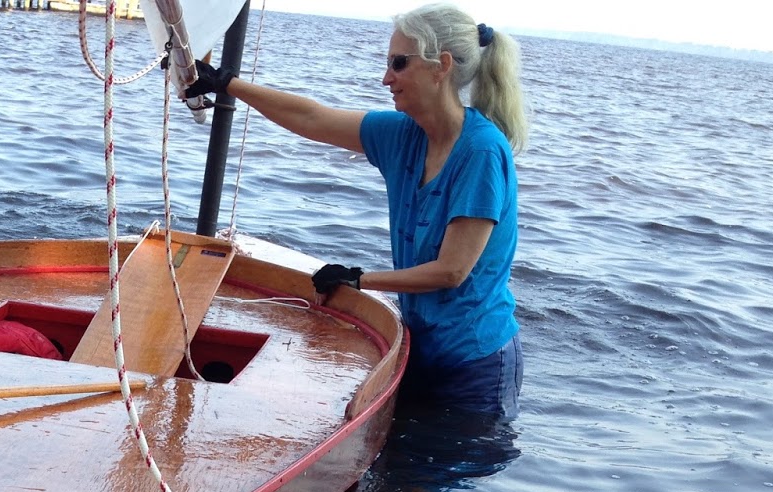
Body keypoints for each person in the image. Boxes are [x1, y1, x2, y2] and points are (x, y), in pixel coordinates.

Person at [186, 5, 530, 421]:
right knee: (404, 478)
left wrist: (357, 280)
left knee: (439, 482)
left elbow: (451, 271)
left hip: (474, 364)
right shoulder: (403, 135)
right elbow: (311, 117)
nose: (386, 78)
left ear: (440, 67)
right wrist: (227, 84)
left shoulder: (480, 151)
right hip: (420, 347)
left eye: (399, 64)